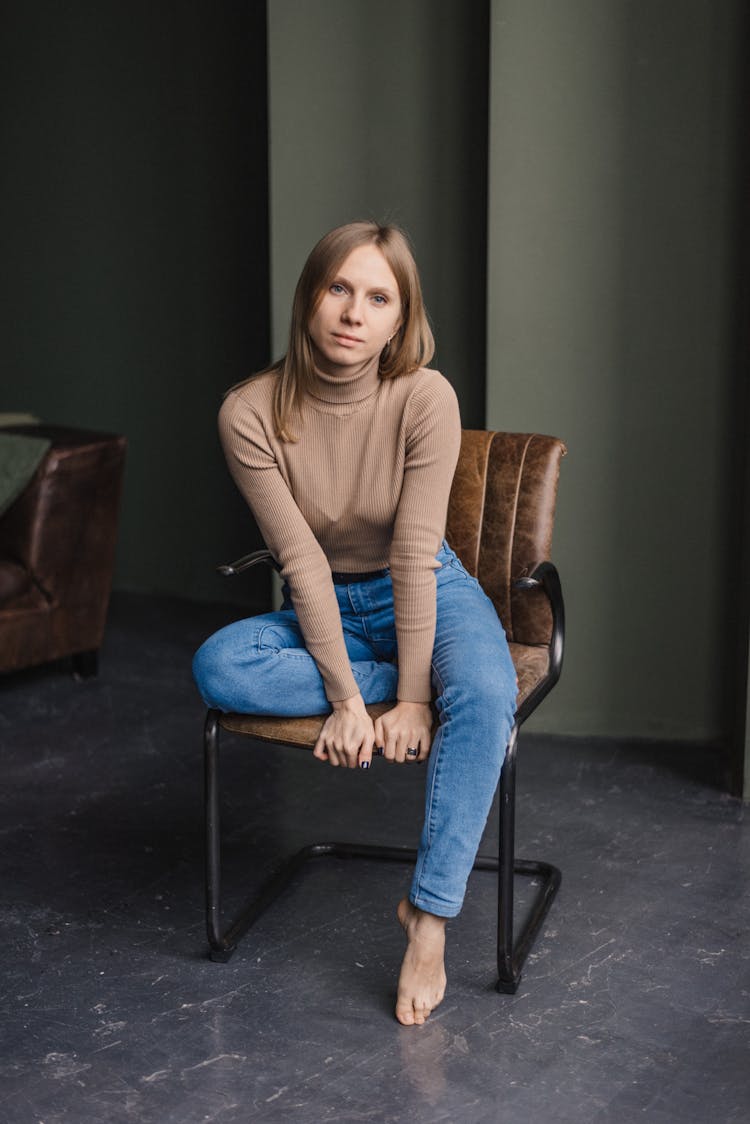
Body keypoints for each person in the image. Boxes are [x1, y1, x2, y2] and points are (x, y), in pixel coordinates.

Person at [192, 221, 517, 1026]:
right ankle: (399, 686)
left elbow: (413, 551)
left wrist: (413, 699)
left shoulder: (424, 396)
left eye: (379, 298)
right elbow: (298, 562)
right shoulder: (250, 411)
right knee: (221, 668)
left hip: (430, 590)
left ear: (400, 321)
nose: (353, 313)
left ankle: (430, 918)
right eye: (339, 288)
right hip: (325, 600)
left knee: (484, 691)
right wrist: (347, 699)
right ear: (309, 298)